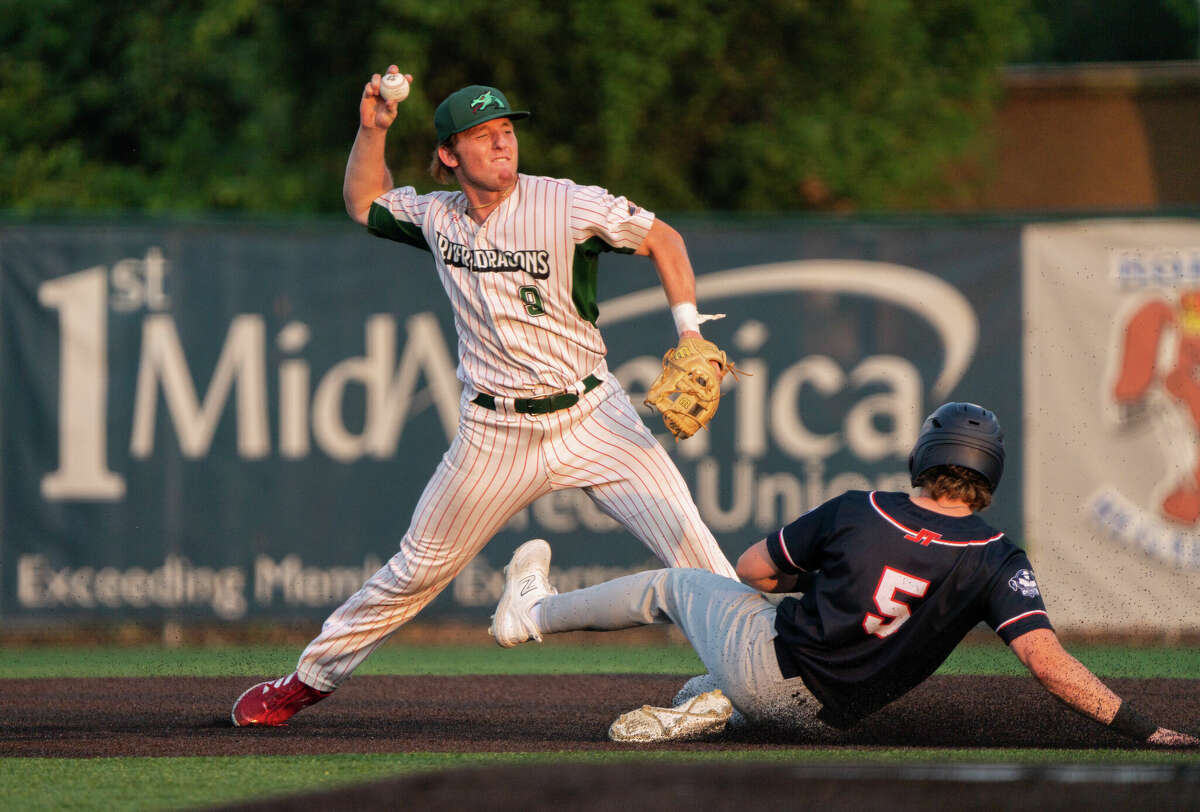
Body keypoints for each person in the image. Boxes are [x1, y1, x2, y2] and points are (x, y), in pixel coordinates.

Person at [230, 68, 739, 727]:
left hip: (594, 414)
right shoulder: (438, 218)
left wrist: (692, 333)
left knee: (690, 543)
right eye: (481, 135)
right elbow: (364, 203)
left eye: (506, 131)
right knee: (415, 572)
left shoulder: (564, 202)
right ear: (449, 154)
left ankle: (761, 672)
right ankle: (302, 684)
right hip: (494, 432)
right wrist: (372, 128)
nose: (502, 144)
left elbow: (664, 240)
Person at [489, 402, 1200, 746]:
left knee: (671, 586)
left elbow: (752, 572)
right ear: (991, 473)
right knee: (714, 678)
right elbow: (1047, 664)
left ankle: (531, 613)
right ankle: (713, 705)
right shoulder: (996, 555)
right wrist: (1146, 729)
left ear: (925, 453)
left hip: (771, 664)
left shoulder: (861, 511)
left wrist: (828, 582)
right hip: (831, 720)